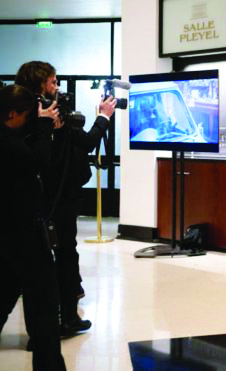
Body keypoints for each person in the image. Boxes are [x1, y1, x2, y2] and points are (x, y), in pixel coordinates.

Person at [14, 61, 117, 337]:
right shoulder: (38, 122)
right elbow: (85, 143)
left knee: (47, 256)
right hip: (58, 197)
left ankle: (57, 316)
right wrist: (104, 117)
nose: (57, 88)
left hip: (36, 199)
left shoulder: (23, 121)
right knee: (64, 253)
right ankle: (67, 318)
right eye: (52, 82)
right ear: (40, 86)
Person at [0, 84, 67, 370]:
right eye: (29, 114)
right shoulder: (9, 144)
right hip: (23, 236)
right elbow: (39, 161)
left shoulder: (10, 138)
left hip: (8, 237)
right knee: (45, 314)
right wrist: (44, 127)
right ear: (13, 113)